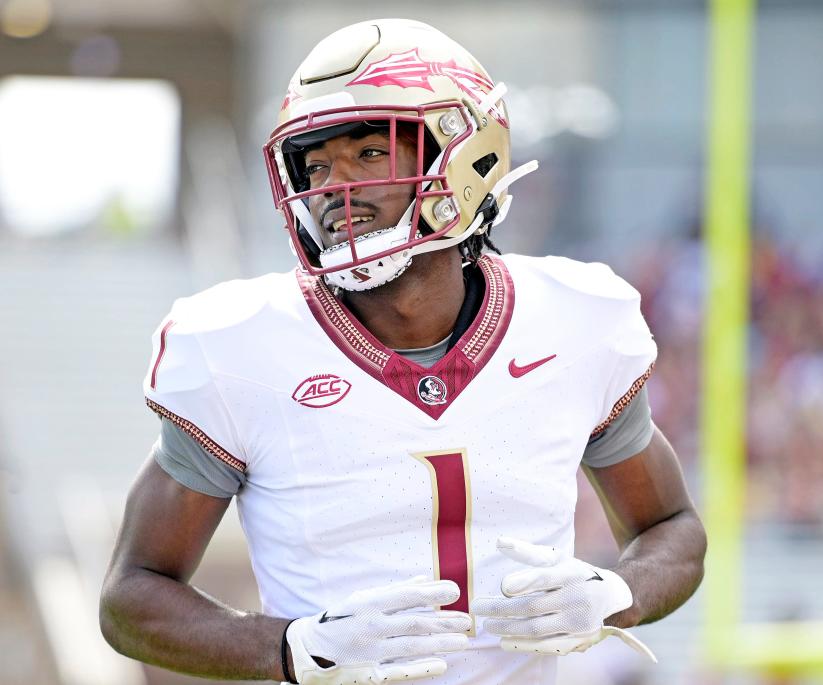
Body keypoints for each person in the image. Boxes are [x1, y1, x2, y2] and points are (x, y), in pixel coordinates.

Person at [99, 18, 706, 685]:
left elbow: (672, 526)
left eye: (368, 152)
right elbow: (131, 596)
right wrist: (292, 647)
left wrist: (618, 593)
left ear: (466, 154)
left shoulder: (575, 320)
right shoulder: (240, 345)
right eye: (317, 163)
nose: (333, 186)